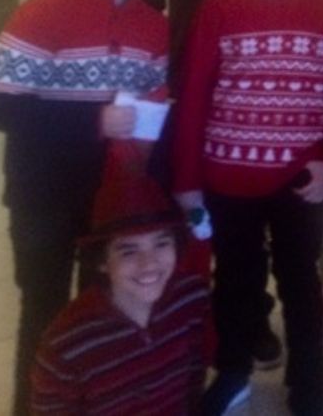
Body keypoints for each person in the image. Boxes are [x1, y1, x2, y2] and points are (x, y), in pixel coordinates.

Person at [172, 0, 323, 416]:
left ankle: (310, 383)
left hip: (301, 178)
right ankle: (233, 373)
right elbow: (196, 93)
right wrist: (187, 180)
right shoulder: (220, 4)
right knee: (235, 280)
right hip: (228, 174)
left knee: (301, 284)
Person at [0, 0, 170, 416]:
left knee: (103, 308)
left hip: (110, 196)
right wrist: (94, 121)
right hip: (42, 192)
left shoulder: (154, 27)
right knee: (44, 309)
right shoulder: (46, 9)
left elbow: (150, 112)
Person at [143, 0, 286, 368]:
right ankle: (184, 316)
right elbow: (147, 11)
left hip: (249, 100)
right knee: (185, 212)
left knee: (244, 223)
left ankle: (251, 316)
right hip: (185, 96)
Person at [31, 164, 210, 414]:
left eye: (161, 244)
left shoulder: (191, 298)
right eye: (128, 251)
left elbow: (193, 382)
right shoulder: (66, 346)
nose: (149, 264)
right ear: (102, 261)